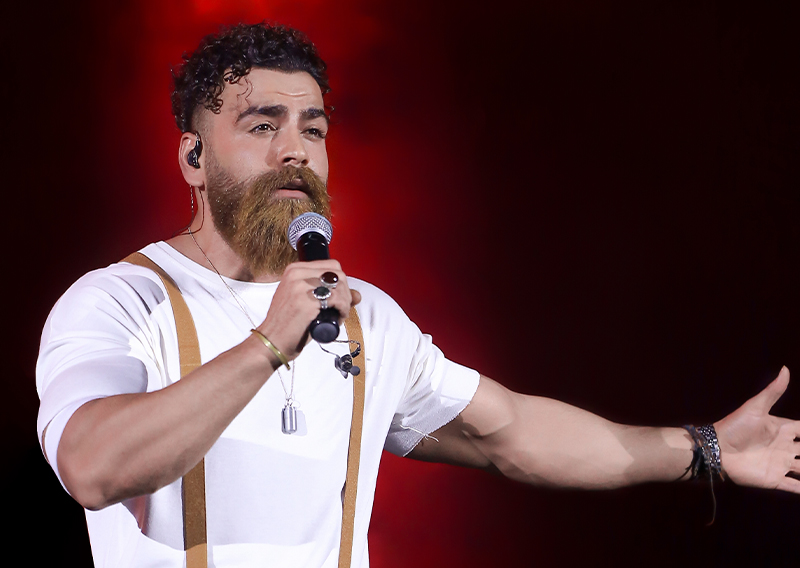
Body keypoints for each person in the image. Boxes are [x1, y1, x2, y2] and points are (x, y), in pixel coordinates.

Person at [36, 22, 799, 568]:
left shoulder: (363, 315)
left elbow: (512, 433)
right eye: (263, 125)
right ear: (193, 158)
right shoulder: (120, 303)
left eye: (312, 128)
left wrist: (706, 448)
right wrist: (266, 345)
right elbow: (91, 467)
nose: (295, 150)